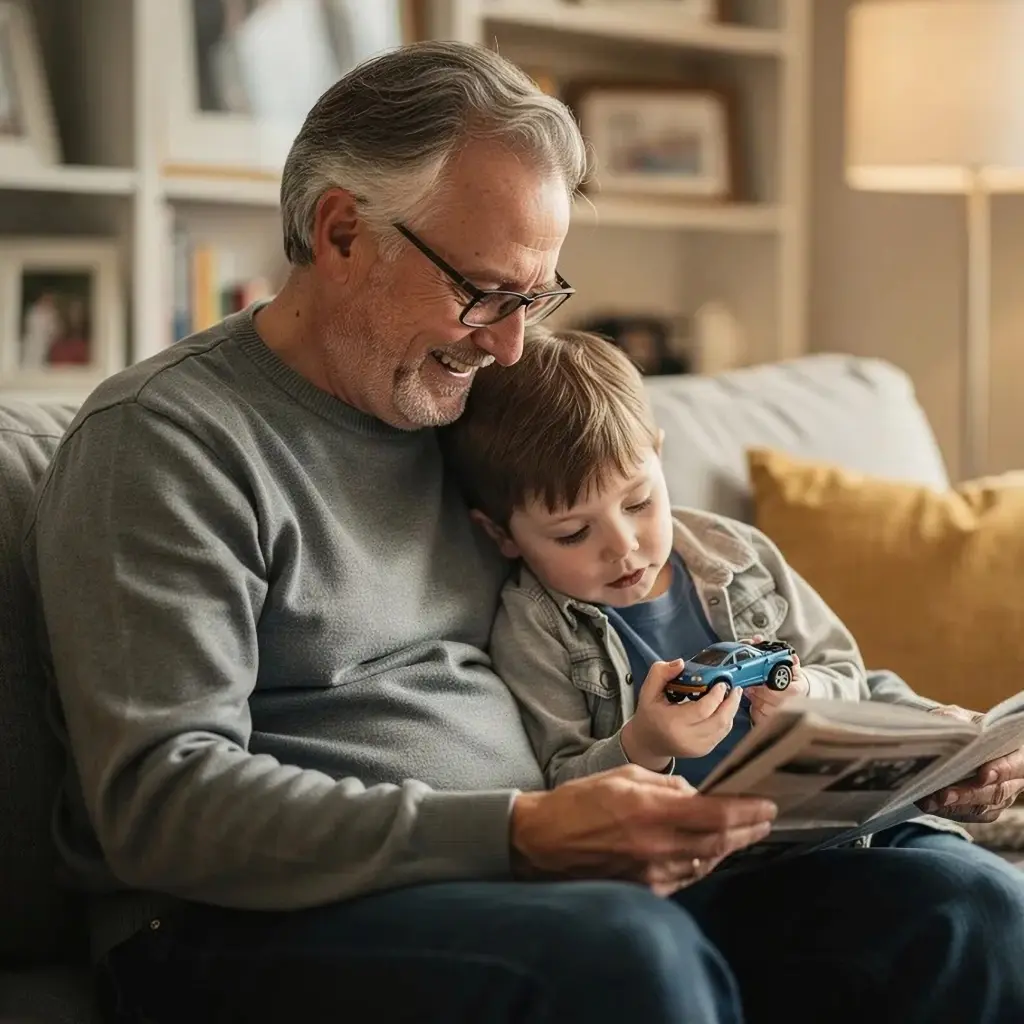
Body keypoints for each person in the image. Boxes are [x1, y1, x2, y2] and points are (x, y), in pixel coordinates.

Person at [21, 40, 1024, 1024]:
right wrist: (521, 831)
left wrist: (924, 756)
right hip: (255, 925)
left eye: (535, 298)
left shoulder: (472, 418)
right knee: (630, 955)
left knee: (958, 904)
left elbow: (664, 565)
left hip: (558, 880)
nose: (509, 343)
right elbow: (161, 803)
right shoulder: (165, 442)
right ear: (341, 233)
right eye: (484, 293)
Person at [439, 326, 869, 789]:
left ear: (659, 457)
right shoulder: (536, 628)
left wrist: (807, 694)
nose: (623, 545)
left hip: (818, 804)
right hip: (697, 830)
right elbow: (562, 786)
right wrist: (644, 745)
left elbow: (848, 673)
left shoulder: (738, 554)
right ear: (500, 534)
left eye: (638, 503)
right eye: (574, 532)